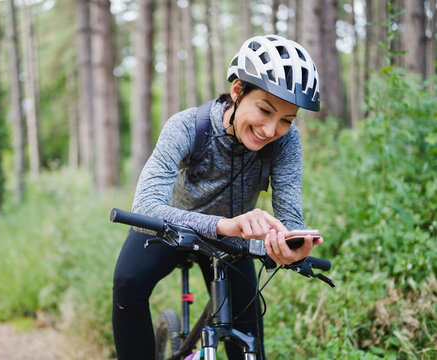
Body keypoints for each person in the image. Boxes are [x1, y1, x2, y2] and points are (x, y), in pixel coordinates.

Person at [112, 34, 322, 360]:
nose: (270, 130)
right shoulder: (186, 126)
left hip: (230, 243)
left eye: (286, 120)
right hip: (171, 228)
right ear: (237, 91)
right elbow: (146, 207)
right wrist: (223, 225)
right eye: (265, 111)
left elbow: (289, 216)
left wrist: (290, 246)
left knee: (247, 336)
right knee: (128, 286)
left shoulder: (285, 141)